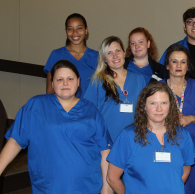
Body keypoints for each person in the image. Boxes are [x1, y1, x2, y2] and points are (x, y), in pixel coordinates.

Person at [0, 60, 112, 194]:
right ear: (52, 83)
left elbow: (104, 150)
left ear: (78, 81)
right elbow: (15, 142)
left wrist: (107, 187)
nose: (65, 83)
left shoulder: (91, 110)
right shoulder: (36, 106)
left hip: (87, 186)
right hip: (49, 186)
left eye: (70, 78)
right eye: (59, 79)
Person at [106, 82, 194, 194]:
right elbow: (112, 178)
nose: (159, 109)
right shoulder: (128, 136)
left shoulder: (182, 135)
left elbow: (185, 171)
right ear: (144, 106)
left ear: (170, 105)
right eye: (153, 103)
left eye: (164, 103)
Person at [160, 44, 195, 194]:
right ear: (167, 65)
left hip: (193, 146)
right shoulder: (158, 88)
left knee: (188, 187)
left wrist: (191, 119)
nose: (178, 65)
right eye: (174, 61)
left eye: (183, 62)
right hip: (165, 145)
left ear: (188, 66)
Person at [84, 36, 146, 142]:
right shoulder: (97, 81)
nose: (115, 56)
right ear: (104, 59)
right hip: (106, 142)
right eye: (109, 53)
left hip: (134, 141)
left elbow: (146, 111)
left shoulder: (138, 79)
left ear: (124, 53)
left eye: (118, 51)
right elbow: (87, 113)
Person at [44, 13, 98, 97]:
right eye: (70, 29)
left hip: (89, 108)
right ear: (66, 31)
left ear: (86, 30)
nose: (75, 33)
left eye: (79, 28)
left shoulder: (96, 56)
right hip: (62, 108)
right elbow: (49, 90)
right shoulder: (57, 54)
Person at [159, 7, 195, 80]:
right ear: (184, 26)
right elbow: (160, 74)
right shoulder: (173, 50)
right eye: (190, 22)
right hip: (180, 91)